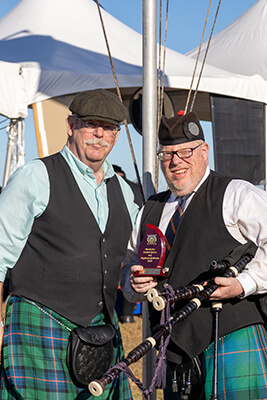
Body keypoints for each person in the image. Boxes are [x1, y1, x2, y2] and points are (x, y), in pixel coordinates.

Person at [0, 89, 139, 399]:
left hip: (101, 329)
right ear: (70, 125)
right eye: (91, 124)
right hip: (40, 325)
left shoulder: (123, 191)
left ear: (116, 135)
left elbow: (134, 254)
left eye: (110, 127)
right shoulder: (35, 177)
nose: (100, 134)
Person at [121, 110, 267, 400]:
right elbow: (128, 267)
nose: (176, 161)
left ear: (204, 151)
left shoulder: (236, 193)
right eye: (167, 154)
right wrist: (133, 283)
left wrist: (243, 284)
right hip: (174, 351)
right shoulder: (149, 210)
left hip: (231, 333)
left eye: (186, 152)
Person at [113, 164, 143, 323]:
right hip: (135, 240)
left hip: (116, 241)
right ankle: (128, 315)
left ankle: (124, 315)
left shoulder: (111, 187)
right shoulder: (136, 188)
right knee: (132, 275)